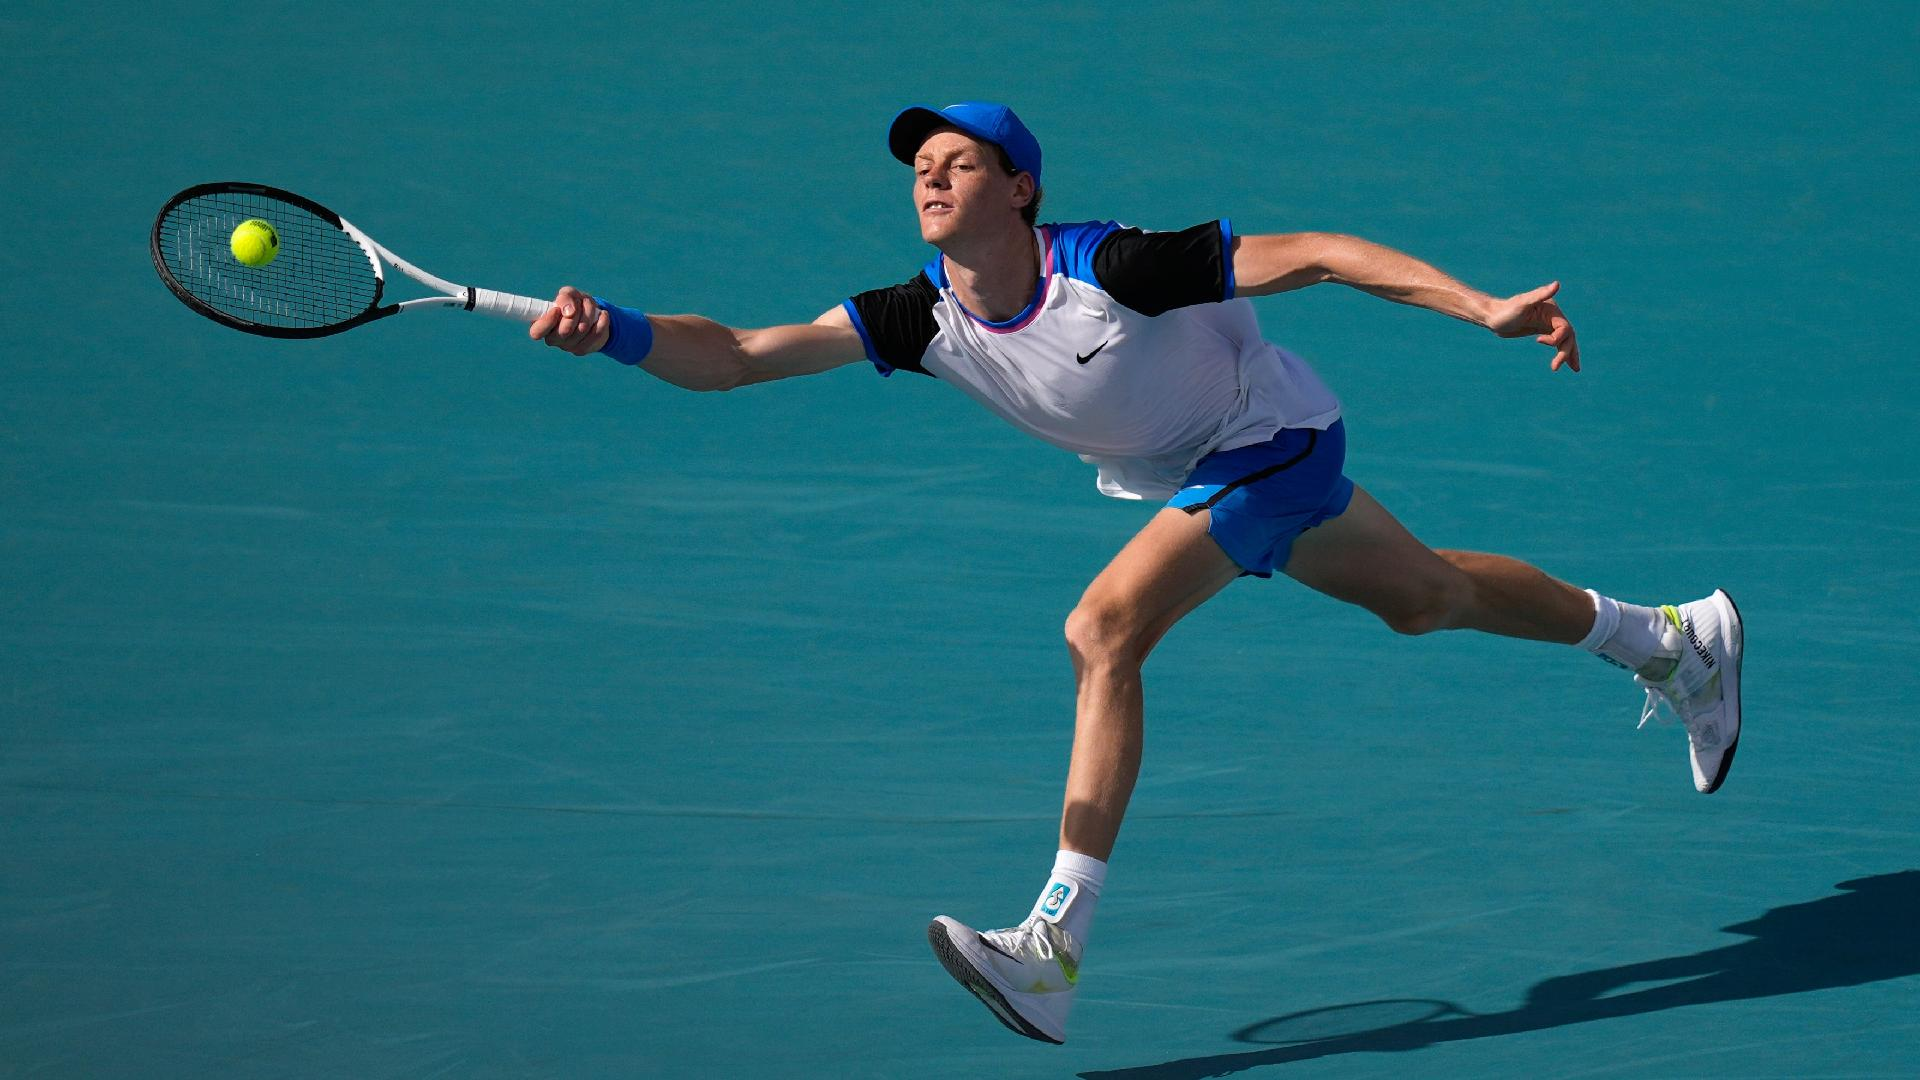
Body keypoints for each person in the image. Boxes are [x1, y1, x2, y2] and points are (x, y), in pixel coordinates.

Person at [528, 101, 1744, 1046]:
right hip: (1209, 468)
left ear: (1021, 189)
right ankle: (1673, 639)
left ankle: (1051, 946)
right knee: (1429, 599)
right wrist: (619, 332)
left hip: (1270, 445)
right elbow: (741, 354)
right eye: (918, 169)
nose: (930, 180)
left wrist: (1480, 308)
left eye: (957, 163)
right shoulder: (919, 317)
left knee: (1101, 630)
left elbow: (1314, 252)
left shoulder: (1114, 266)